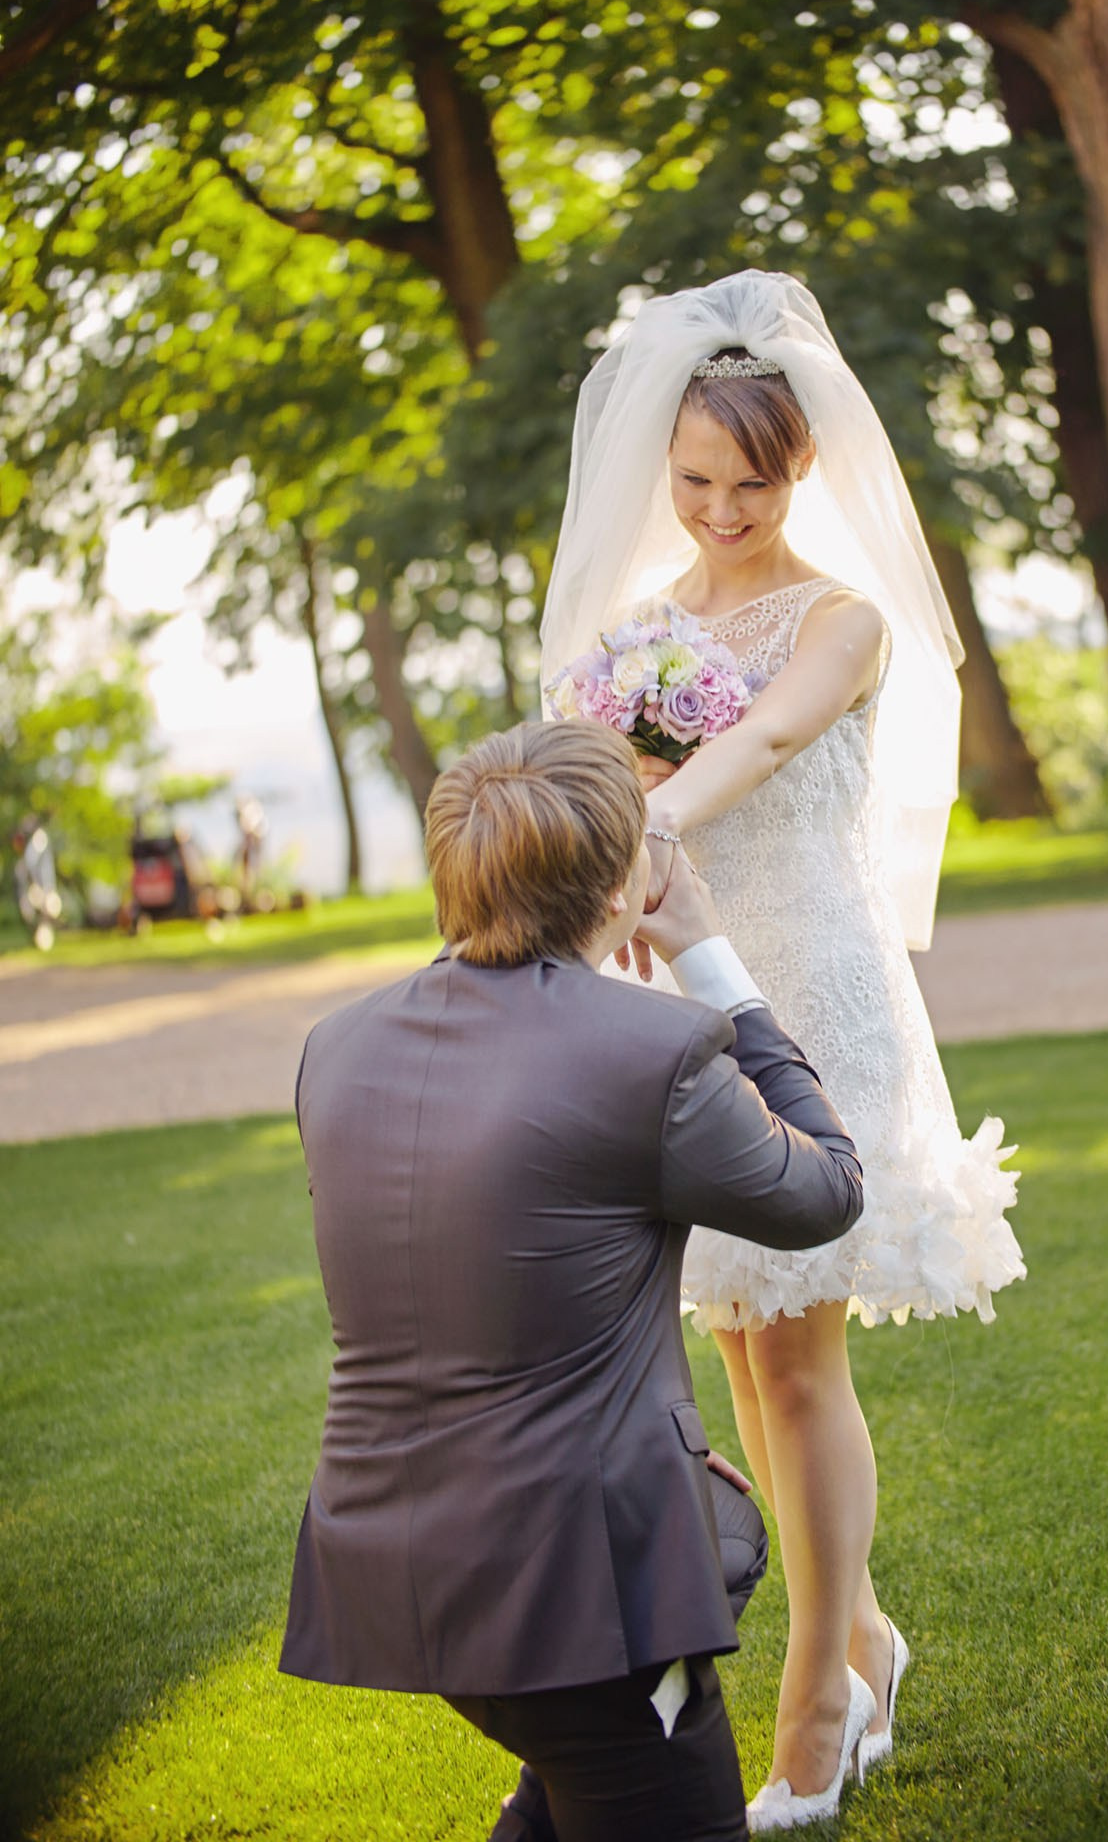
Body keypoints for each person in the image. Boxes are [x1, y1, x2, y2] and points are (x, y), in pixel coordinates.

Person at [540, 271, 1026, 1830]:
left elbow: (757, 742)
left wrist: (640, 828)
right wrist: (599, 848)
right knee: (741, 1351)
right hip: (683, 1010)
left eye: (750, 479)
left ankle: (819, 1689)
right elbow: (589, 752)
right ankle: (868, 1636)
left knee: (802, 1358)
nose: (722, 506)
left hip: (814, 989)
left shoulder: (843, 619)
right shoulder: (634, 638)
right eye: (693, 481)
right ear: (659, 470)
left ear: (799, 462)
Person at [278, 718, 868, 1842]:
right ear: (619, 887)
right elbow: (828, 1189)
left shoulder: (336, 1043)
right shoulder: (651, 1054)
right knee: (630, 1739)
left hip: (387, 1548)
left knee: (716, 1540)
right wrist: (713, 964)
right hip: (578, 1591)